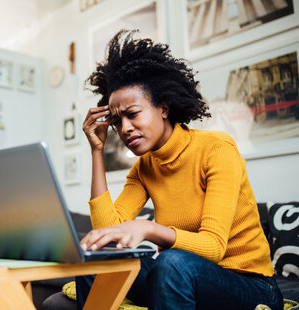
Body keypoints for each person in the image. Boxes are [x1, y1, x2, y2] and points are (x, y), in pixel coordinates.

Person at [77, 30, 283, 310]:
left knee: (172, 261)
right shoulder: (144, 169)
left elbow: (213, 247)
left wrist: (149, 228)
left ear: (163, 108)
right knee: (96, 256)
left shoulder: (217, 149)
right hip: (179, 276)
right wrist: (96, 151)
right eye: (116, 121)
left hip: (250, 284)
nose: (124, 128)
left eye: (133, 114)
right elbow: (107, 233)